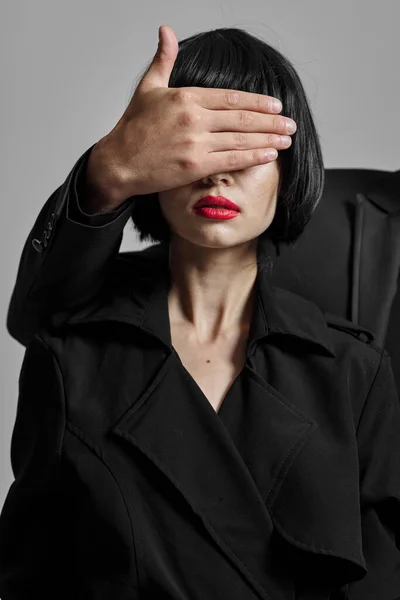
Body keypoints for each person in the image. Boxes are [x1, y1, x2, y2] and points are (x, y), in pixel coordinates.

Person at [1, 23, 400, 600]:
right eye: (199, 142)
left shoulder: (355, 373)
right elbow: (27, 575)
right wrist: (108, 170)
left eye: (248, 147)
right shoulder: (70, 359)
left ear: (292, 172)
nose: (218, 170)